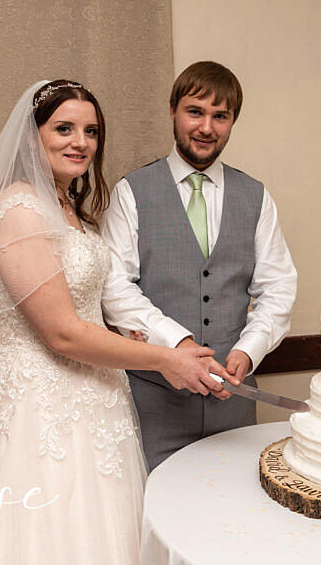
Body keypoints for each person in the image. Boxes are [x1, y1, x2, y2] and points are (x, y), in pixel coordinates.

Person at [0, 80, 235, 564]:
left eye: (91, 131)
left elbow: (92, 307)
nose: (80, 142)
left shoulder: (72, 212)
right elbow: (61, 332)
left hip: (97, 408)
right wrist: (166, 359)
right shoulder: (18, 209)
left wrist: (147, 337)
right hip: (38, 412)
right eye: (64, 128)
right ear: (32, 136)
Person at [101, 61, 298, 470]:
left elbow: (277, 288)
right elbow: (115, 289)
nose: (207, 127)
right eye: (195, 112)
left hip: (234, 409)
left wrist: (247, 350)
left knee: (235, 518)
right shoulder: (131, 192)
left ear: (231, 123)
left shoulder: (256, 196)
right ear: (173, 111)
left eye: (220, 116)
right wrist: (178, 345)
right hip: (152, 406)